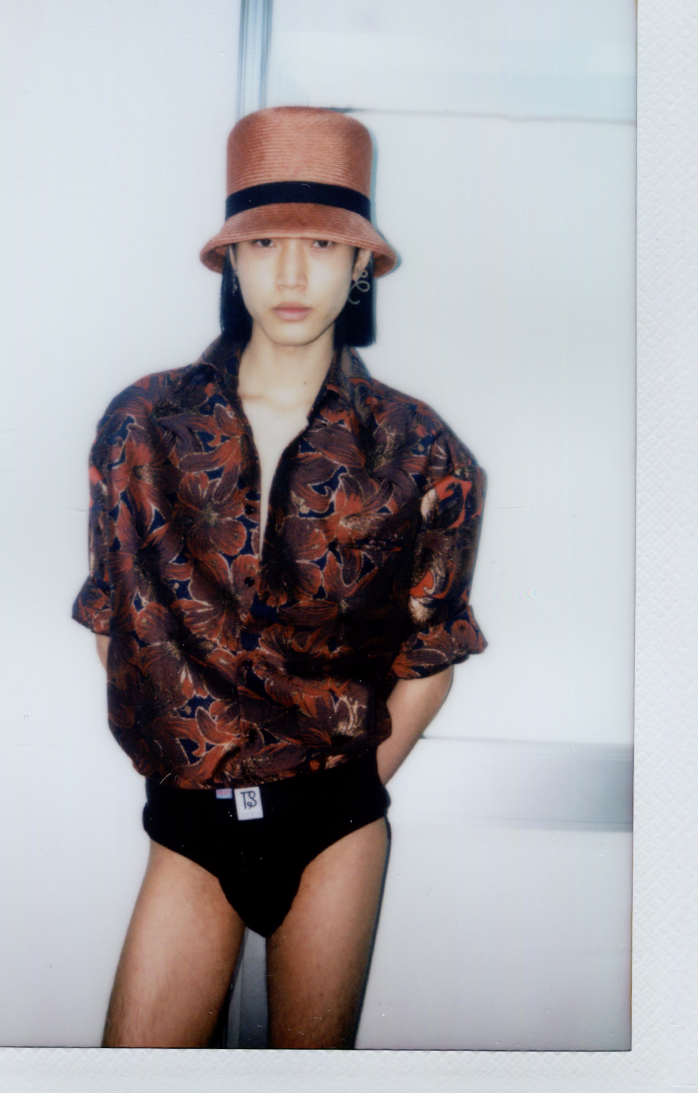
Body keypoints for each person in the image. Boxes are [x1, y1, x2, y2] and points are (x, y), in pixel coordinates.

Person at [73, 106, 487, 1049]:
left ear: (360, 264)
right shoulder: (141, 425)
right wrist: (190, 751)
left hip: (336, 824)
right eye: (264, 242)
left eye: (321, 244)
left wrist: (332, 795)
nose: (292, 274)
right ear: (231, 259)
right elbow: (112, 616)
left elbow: (432, 655)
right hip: (189, 820)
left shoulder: (422, 449)